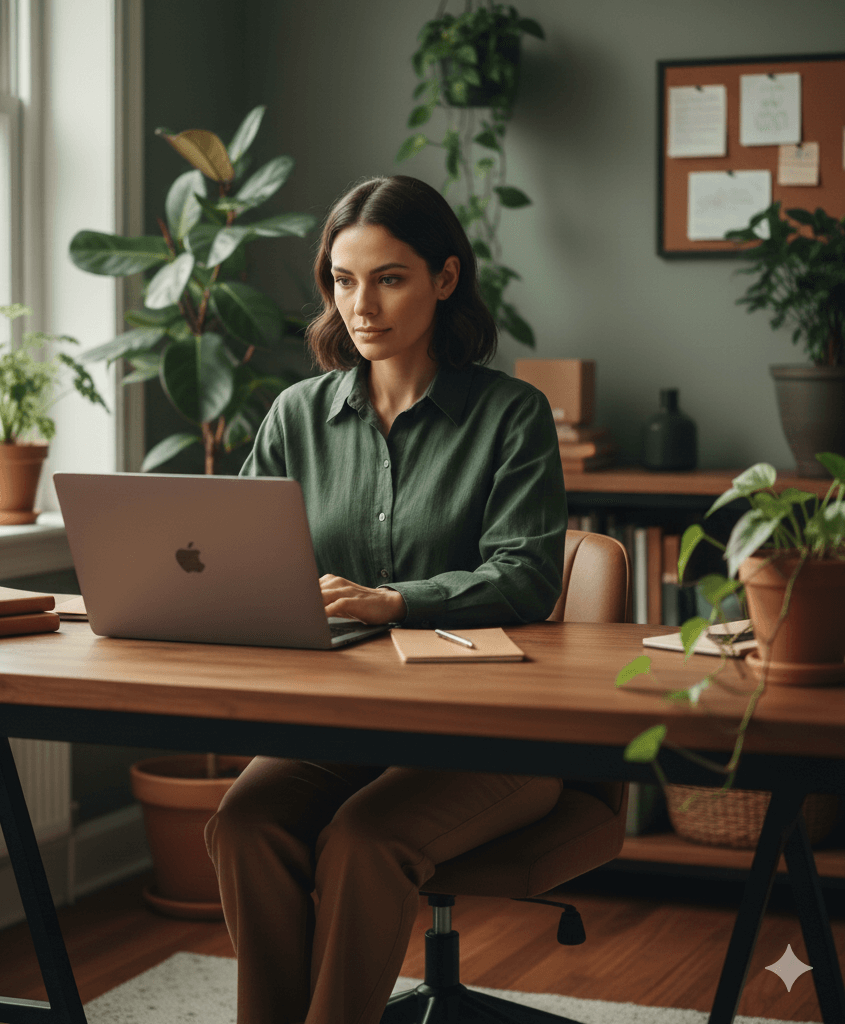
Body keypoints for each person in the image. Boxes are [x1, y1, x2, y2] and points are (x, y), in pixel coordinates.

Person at [204, 174, 567, 1024]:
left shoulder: (513, 415)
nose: (360, 304)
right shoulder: (295, 416)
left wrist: (392, 601)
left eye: (389, 278)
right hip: (341, 729)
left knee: (365, 842)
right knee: (244, 823)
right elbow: (243, 562)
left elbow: (527, 575)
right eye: (342, 279)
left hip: (496, 733)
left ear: (445, 278)